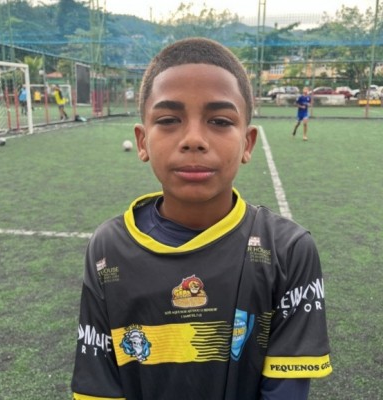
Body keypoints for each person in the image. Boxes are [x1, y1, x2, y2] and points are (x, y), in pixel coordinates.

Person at [71, 38, 332, 400]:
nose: (194, 139)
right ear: (142, 141)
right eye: (168, 120)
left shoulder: (289, 251)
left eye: (220, 121)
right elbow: (100, 387)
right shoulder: (108, 249)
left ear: (248, 143)